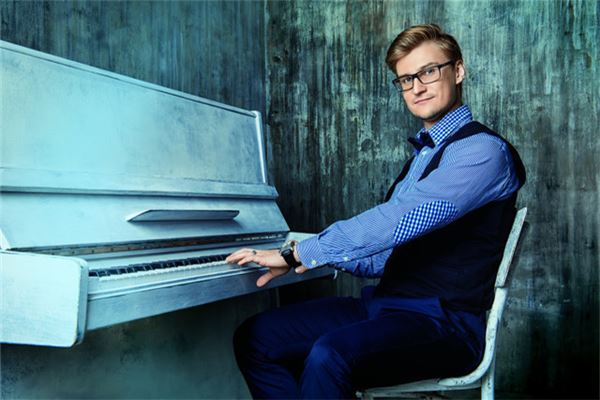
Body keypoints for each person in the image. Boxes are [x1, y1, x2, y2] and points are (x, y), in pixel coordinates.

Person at [226, 23, 526, 399]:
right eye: (406, 79)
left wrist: (301, 253)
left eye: (429, 72)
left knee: (331, 355)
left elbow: (401, 219)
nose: (417, 87)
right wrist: (301, 250)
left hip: (445, 322)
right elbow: (384, 255)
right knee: (257, 338)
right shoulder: (424, 155)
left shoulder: (482, 152)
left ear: (458, 70)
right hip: (385, 307)